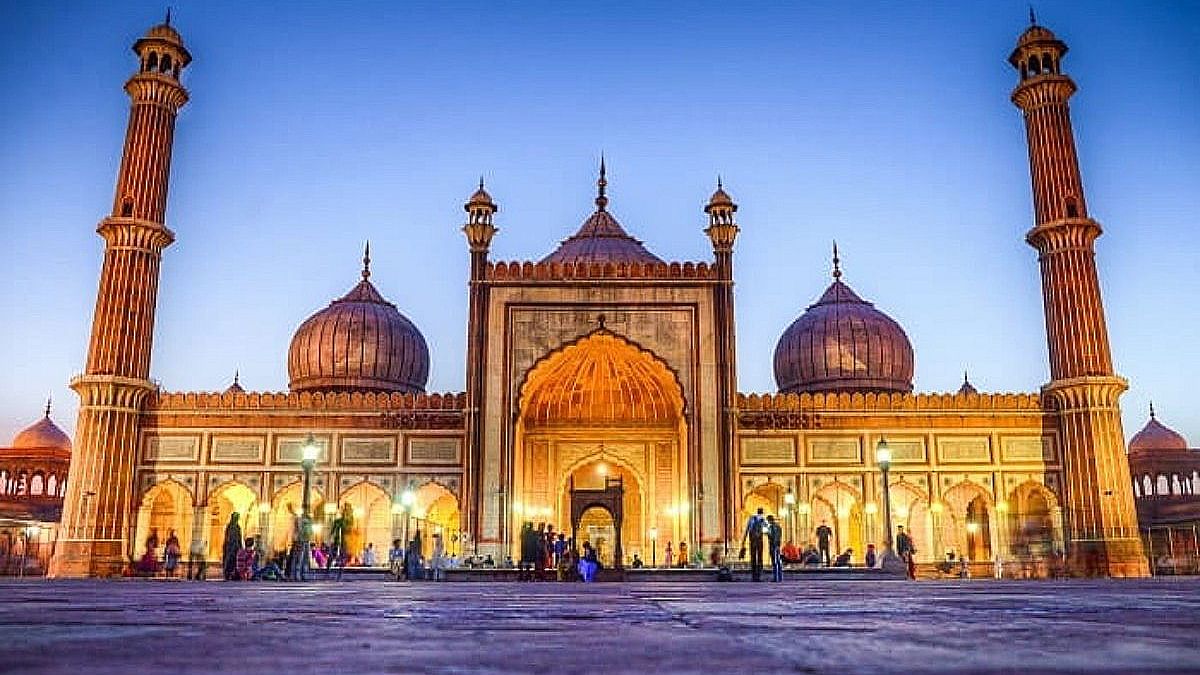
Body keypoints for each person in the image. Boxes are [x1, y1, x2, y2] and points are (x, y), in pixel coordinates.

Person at [740, 507, 766, 581]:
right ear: (762, 512)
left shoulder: (751, 518)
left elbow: (747, 530)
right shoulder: (763, 520)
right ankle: (760, 575)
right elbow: (766, 531)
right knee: (760, 557)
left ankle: (754, 575)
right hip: (759, 540)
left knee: (753, 557)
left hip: (752, 540)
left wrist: (743, 541)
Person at [222, 513, 242, 581]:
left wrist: (240, 546)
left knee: (234, 562)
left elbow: (239, 538)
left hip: (235, 547)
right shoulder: (230, 526)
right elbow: (228, 538)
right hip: (230, 547)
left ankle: (234, 574)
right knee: (229, 561)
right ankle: (227, 574)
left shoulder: (237, 527)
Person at [766, 514, 784, 582]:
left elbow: (772, 536)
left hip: (773, 545)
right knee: (779, 561)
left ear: (769, 520)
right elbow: (779, 536)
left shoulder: (771, 527)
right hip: (778, 545)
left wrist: (768, 534)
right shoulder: (778, 527)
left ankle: (775, 578)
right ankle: (780, 577)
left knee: (774, 562)